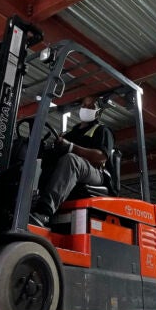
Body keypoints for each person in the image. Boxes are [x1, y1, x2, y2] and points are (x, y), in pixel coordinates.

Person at [29, 96, 114, 227]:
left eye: (91, 107)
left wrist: (71, 147)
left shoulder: (102, 130)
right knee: (42, 162)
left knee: (71, 160)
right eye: (84, 106)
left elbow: (101, 156)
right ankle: (30, 202)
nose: (86, 109)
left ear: (98, 112)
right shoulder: (72, 133)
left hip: (95, 172)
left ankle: (44, 212)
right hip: (76, 169)